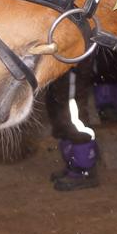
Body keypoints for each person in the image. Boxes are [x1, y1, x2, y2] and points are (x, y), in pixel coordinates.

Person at [44, 57, 100, 192]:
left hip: (72, 62)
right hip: (57, 63)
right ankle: (73, 164)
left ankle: (83, 169)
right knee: (58, 110)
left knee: (72, 111)